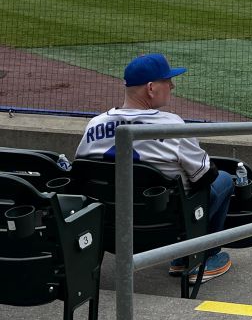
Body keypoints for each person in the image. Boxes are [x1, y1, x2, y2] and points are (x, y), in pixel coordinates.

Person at [75, 54, 234, 283]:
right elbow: (205, 177)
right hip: (166, 230)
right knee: (225, 180)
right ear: (151, 88)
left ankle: (184, 258)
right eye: (167, 80)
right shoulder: (172, 126)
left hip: (109, 230)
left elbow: (80, 172)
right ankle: (199, 259)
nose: (172, 85)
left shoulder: (94, 125)